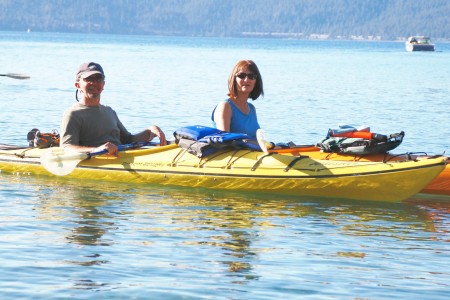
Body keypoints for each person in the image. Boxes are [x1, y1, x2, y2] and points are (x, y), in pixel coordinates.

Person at [60, 62, 166, 156]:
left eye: (98, 79)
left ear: (103, 84)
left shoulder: (109, 112)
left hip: (122, 157)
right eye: (89, 79)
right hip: (99, 162)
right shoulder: (72, 114)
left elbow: (128, 140)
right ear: (78, 85)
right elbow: (66, 148)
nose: (94, 83)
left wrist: (149, 131)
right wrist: (97, 150)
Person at [211, 59, 264, 138]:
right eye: (241, 76)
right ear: (234, 79)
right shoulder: (225, 106)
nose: (246, 80)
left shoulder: (252, 109)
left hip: (253, 149)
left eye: (251, 76)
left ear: (256, 81)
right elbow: (224, 141)